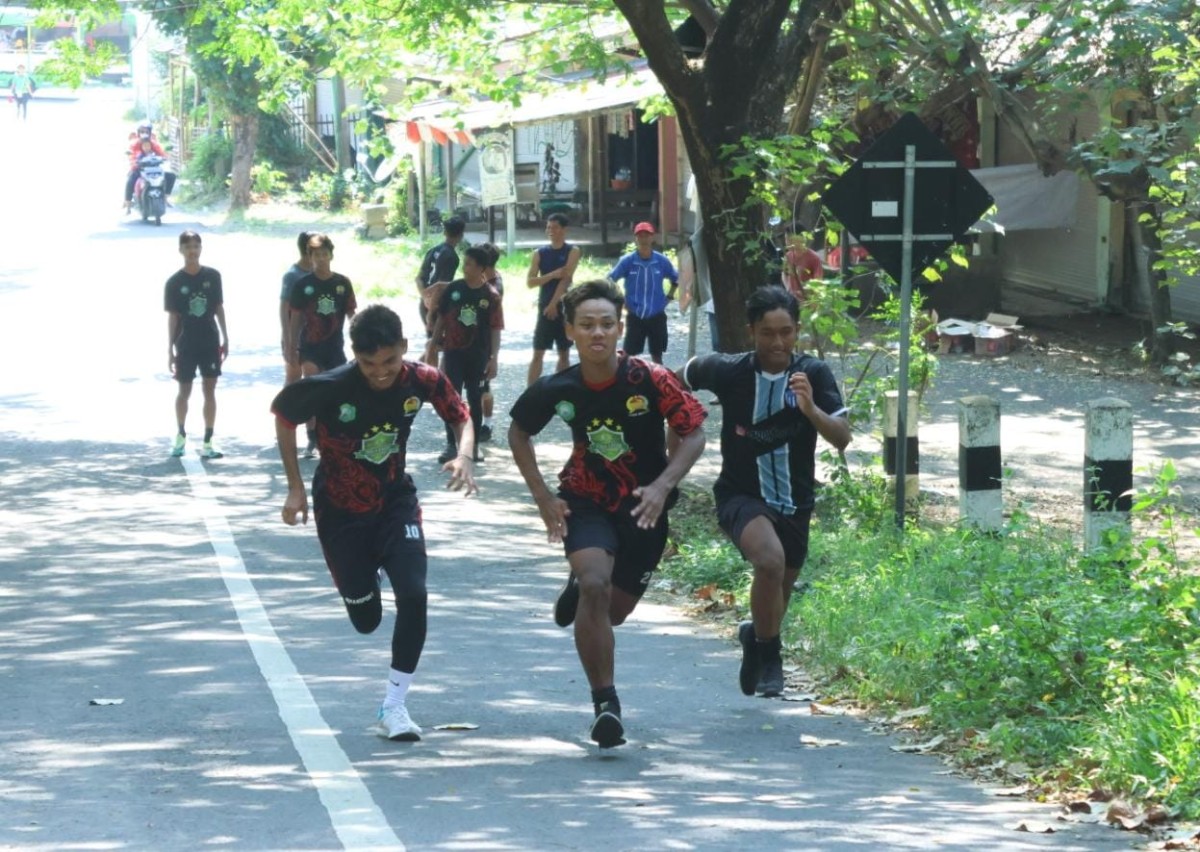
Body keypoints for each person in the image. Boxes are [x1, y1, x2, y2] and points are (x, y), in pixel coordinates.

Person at [508, 279, 707, 748]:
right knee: (597, 584)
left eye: (606, 324)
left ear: (621, 328)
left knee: (612, 613)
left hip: (643, 506)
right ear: (571, 331)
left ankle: (581, 589)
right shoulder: (559, 388)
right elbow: (519, 432)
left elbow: (694, 431)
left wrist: (663, 485)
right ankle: (605, 706)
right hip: (585, 498)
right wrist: (543, 497)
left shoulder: (650, 379)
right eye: (587, 325)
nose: (597, 333)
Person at [271, 304, 478, 742]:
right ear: (354, 355)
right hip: (340, 511)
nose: (381, 373)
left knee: (415, 594)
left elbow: (461, 416)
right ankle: (367, 575)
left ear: (404, 347)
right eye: (369, 364)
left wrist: (464, 455)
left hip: (393, 501)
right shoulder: (330, 386)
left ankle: (394, 706)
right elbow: (284, 416)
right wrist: (295, 487)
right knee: (366, 618)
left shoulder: (423, 379)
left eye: (389, 361)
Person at [679, 286, 850, 697]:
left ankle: (755, 637)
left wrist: (810, 409)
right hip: (740, 496)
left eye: (786, 332)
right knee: (769, 563)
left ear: (797, 331)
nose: (777, 343)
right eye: (767, 333)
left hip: (795, 502)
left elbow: (842, 438)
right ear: (751, 330)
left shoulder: (815, 374)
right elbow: (677, 377)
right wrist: (681, 423)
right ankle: (773, 657)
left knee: (778, 594)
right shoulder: (728, 370)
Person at [426, 245, 503, 465]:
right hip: (453, 353)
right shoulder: (454, 289)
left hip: (478, 355)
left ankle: (474, 445)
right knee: (451, 397)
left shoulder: (490, 295)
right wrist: (432, 344)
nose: (464, 266)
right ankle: (451, 444)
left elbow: (495, 328)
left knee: (475, 399)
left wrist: (494, 357)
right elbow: (441, 318)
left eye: (469, 263)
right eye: (464, 262)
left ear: (481, 268)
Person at [288, 233, 358, 457]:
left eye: (325, 254)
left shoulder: (342, 283)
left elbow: (351, 313)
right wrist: (291, 344)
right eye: (316, 255)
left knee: (336, 390)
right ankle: (312, 437)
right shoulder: (303, 285)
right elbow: (296, 317)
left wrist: (360, 340)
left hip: (334, 345)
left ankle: (333, 434)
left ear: (331, 255)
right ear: (310, 257)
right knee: (312, 386)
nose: (321, 258)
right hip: (310, 346)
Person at [165, 230, 229, 459]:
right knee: (184, 390)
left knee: (209, 390)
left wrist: (225, 337)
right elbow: (173, 317)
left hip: (209, 340)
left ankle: (209, 440)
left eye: (196, 246)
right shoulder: (174, 282)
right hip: (186, 343)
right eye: (187, 247)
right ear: (181, 250)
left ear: (201, 249)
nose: (192, 251)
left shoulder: (213, 276)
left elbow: (219, 307)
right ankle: (180, 435)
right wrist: (170, 349)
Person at [607, 222, 678, 365]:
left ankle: (660, 382)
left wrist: (669, 296)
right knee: (628, 356)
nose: (644, 239)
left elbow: (676, 279)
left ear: (652, 238)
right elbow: (609, 280)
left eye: (647, 235)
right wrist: (621, 300)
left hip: (656, 313)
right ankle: (625, 383)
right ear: (636, 238)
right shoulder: (627, 261)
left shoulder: (661, 261)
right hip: (635, 314)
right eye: (640, 235)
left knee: (657, 355)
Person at [525, 212, 580, 386]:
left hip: (565, 307)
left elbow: (566, 279)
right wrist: (552, 274)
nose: (550, 230)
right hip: (544, 306)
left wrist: (554, 304)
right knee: (538, 352)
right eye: (548, 227)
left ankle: (560, 390)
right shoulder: (539, 253)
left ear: (564, 230)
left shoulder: (573, 251)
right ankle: (530, 393)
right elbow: (530, 282)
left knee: (564, 352)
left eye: (555, 227)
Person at [415, 216, 465, 362]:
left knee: (434, 344)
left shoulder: (432, 251)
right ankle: (420, 373)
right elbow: (441, 286)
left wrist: (424, 297)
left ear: (444, 232)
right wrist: (431, 312)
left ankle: (427, 375)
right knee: (435, 345)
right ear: (461, 235)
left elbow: (418, 278)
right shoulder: (452, 257)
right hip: (436, 305)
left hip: (424, 302)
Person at [477, 242, 504, 442]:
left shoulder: (494, 286)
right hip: (472, 341)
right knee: (478, 386)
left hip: (484, 342)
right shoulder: (482, 279)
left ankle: (486, 422)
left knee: (483, 387)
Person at [279, 231, 313, 386]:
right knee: (293, 378)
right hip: (296, 335)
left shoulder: (320, 273)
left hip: (316, 335)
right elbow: (284, 310)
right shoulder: (293, 275)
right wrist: (288, 341)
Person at [124, 123, 174, 213]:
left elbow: (161, 153)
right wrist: (135, 161)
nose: (144, 133)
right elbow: (131, 154)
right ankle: (128, 202)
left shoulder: (154, 144)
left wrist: (166, 157)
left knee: (171, 176)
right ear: (138, 133)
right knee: (130, 180)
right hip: (139, 169)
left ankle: (165, 198)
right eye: (142, 131)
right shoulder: (135, 144)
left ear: (150, 133)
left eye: (146, 132)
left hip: (154, 169)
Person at [783, 232, 823, 301]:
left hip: (807, 300)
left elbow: (818, 281)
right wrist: (787, 287)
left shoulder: (814, 258)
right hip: (791, 298)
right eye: (786, 239)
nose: (787, 243)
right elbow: (784, 273)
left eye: (790, 239)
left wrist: (805, 292)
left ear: (800, 239)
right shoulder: (788, 256)